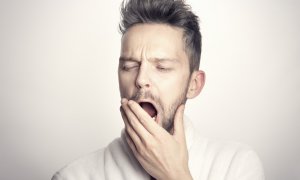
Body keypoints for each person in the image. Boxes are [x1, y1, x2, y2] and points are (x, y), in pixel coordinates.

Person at [52, 0, 264, 179]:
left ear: (194, 85)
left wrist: (175, 174)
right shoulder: (74, 176)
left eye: (161, 67)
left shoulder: (236, 166)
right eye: (129, 66)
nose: (141, 79)